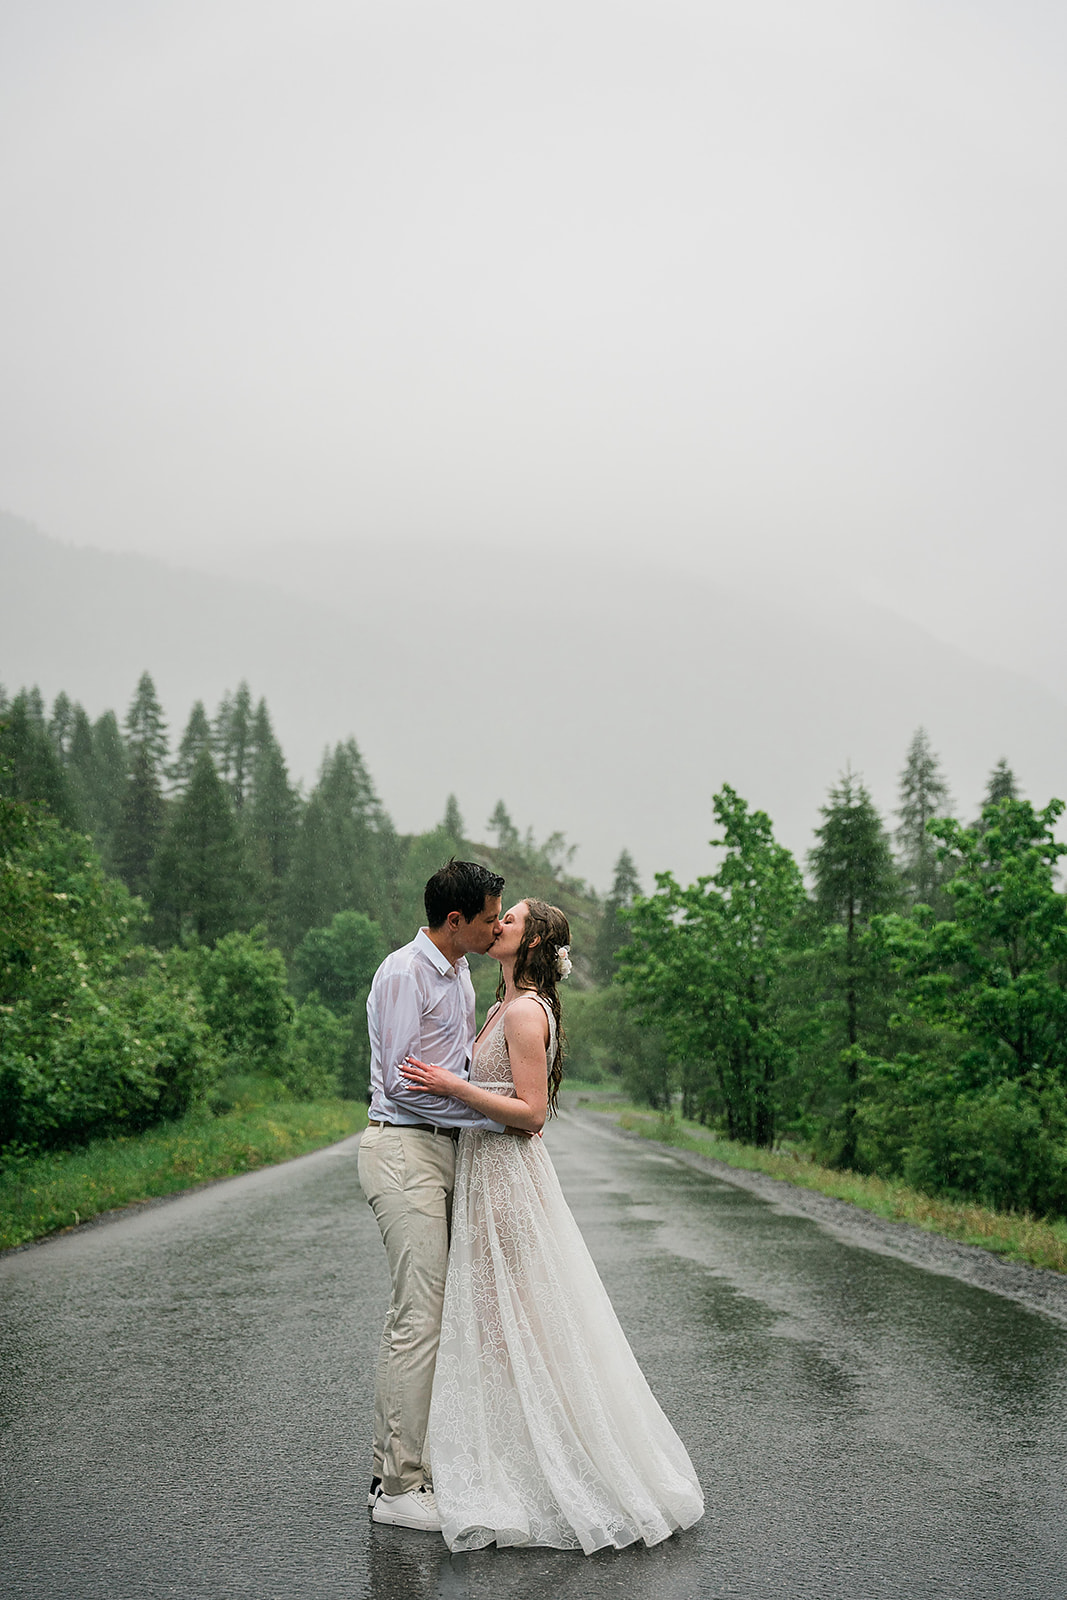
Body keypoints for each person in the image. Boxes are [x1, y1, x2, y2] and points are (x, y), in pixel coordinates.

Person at [400, 898, 704, 1553]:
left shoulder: (520, 1012)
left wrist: (452, 1089)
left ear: (533, 940)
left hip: (508, 1179)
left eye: (508, 919)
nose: (496, 924)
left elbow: (531, 1113)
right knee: (498, 1327)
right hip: (488, 1175)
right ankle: (515, 1464)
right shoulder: (501, 1008)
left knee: (517, 1327)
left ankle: (550, 1470)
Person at [359, 859, 505, 1532]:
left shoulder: (460, 972)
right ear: (455, 920)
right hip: (402, 1147)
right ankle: (398, 1490)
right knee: (416, 1318)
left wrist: (488, 1101)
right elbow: (399, 1083)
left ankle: (392, 1466)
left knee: (431, 1315)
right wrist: (493, 1114)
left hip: (443, 1147)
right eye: (487, 918)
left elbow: (453, 1069)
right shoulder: (404, 972)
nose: (495, 926)